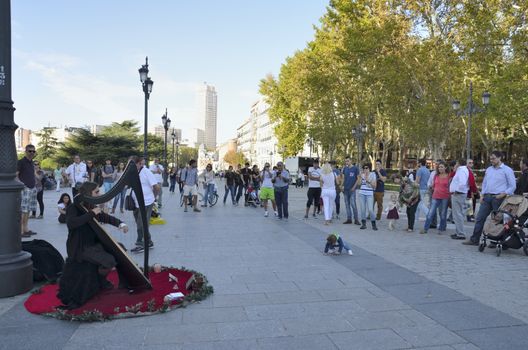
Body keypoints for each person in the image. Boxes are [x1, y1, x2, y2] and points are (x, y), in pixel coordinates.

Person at [57, 181, 129, 309]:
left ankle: (100, 280)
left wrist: (120, 224)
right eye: (96, 192)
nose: (99, 194)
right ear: (88, 193)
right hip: (80, 247)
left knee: (120, 248)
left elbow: (105, 217)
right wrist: (92, 214)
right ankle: (100, 281)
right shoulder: (74, 207)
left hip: (93, 244)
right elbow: (71, 223)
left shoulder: (90, 205)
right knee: (109, 260)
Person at [463, 151, 516, 246]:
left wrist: (503, 194)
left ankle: (495, 241)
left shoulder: (507, 170)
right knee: (480, 218)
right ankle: (474, 239)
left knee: (498, 220)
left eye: (494, 158)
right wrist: (482, 195)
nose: (491, 160)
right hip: (487, 197)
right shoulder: (489, 170)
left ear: (500, 158)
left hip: (499, 198)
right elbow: (485, 183)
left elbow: (512, 186)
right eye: (490, 158)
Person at [130, 156, 159, 253]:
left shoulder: (146, 172)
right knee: (141, 224)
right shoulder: (134, 172)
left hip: (146, 202)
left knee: (141, 224)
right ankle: (149, 242)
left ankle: (140, 244)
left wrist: (153, 198)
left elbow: (156, 187)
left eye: (132, 164)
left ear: (139, 164)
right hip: (136, 203)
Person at [421, 161, 450, 234]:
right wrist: (431, 187)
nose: (440, 168)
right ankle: (425, 229)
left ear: (445, 168)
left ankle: (441, 229)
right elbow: (433, 185)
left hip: (445, 197)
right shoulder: (436, 176)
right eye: (439, 167)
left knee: (443, 214)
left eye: (442, 167)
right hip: (435, 196)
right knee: (431, 213)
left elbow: (450, 187)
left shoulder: (449, 176)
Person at [16, 144, 38, 237]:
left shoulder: (32, 163)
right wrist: (22, 185)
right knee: (23, 210)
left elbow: (33, 174)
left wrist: (35, 182)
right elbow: (16, 175)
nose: (32, 153)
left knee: (28, 210)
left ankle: (26, 229)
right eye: (30, 151)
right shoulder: (21, 162)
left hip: (32, 188)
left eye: (33, 151)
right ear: (26, 151)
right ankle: (20, 231)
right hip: (25, 189)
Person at [449, 160, 469, 240]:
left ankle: (460, 233)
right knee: (457, 214)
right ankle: (458, 232)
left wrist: (456, 191)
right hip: (459, 194)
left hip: (458, 194)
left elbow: (462, 182)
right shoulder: (462, 170)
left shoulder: (461, 170)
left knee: (458, 214)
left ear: (458, 164)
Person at [356, 164, 378, 230]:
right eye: (364, 168)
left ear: (370, 168)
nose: (365, 169)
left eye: (367, 168)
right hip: (361, 193)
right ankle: (363, 224)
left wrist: (367, 179)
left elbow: (374, 186)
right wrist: (359, 177)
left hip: (369, 194)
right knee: (363, 209)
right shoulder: (361, 175)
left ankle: (373, 224)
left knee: (370, 210)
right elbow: (359, 184)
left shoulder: (373, 174)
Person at [342, 156, 360, 225]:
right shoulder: (345, 168)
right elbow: (343, 178)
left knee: (353, 205)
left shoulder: (355, 168)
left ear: (351, 161)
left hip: (352, 190)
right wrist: (342, 186)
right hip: (345, 190)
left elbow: (358, 179)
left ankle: (356, 219)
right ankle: (349, 219)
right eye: (346, 161)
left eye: (348, 161)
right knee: (347, 205)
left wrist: (354, 187)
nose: (347, 162)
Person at [415, 159, 431, 226]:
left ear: (420, 163)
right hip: (426, 188)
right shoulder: (428, 170)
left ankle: (429, 214)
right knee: (418, 203)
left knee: (419, 203)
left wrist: (414, 184)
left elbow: (417, 180)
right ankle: (416, 218)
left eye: (418, 162)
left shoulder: (420, 170)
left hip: (420, 188)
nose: (417, 164)